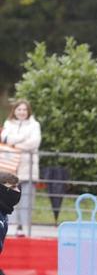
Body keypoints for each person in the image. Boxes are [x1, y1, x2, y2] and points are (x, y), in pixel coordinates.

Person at [1, 100, 40, 237]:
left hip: (27, 169)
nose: (22, 112)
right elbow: (4, 138)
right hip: (10, 169)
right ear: (14, 111)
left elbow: (33, 143)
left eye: (24, 109)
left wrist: (15, 143)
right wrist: (22, 139)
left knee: (26, 200)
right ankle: (11, 227)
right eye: (19, 109)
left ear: (28, 111)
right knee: (8, 198)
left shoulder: (35, 125)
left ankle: (24, 228)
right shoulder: (8, 123)